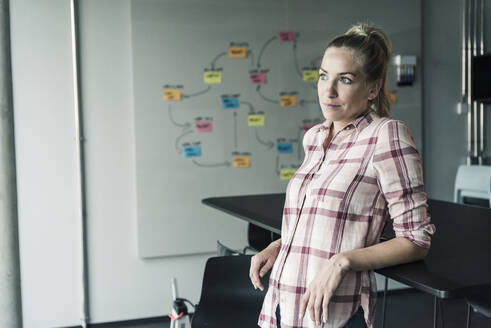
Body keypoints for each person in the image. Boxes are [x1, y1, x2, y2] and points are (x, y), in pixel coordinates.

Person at [249, 24, 435, 328]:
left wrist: (343, 261)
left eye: (345, 80)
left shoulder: (387, 136)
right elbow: (320, 218)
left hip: (334, 313)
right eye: (324, 76)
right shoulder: (315, 136)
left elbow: (416, 240)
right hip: (284, 302)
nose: (328, 90)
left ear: (373, 89)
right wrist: (280, 244)